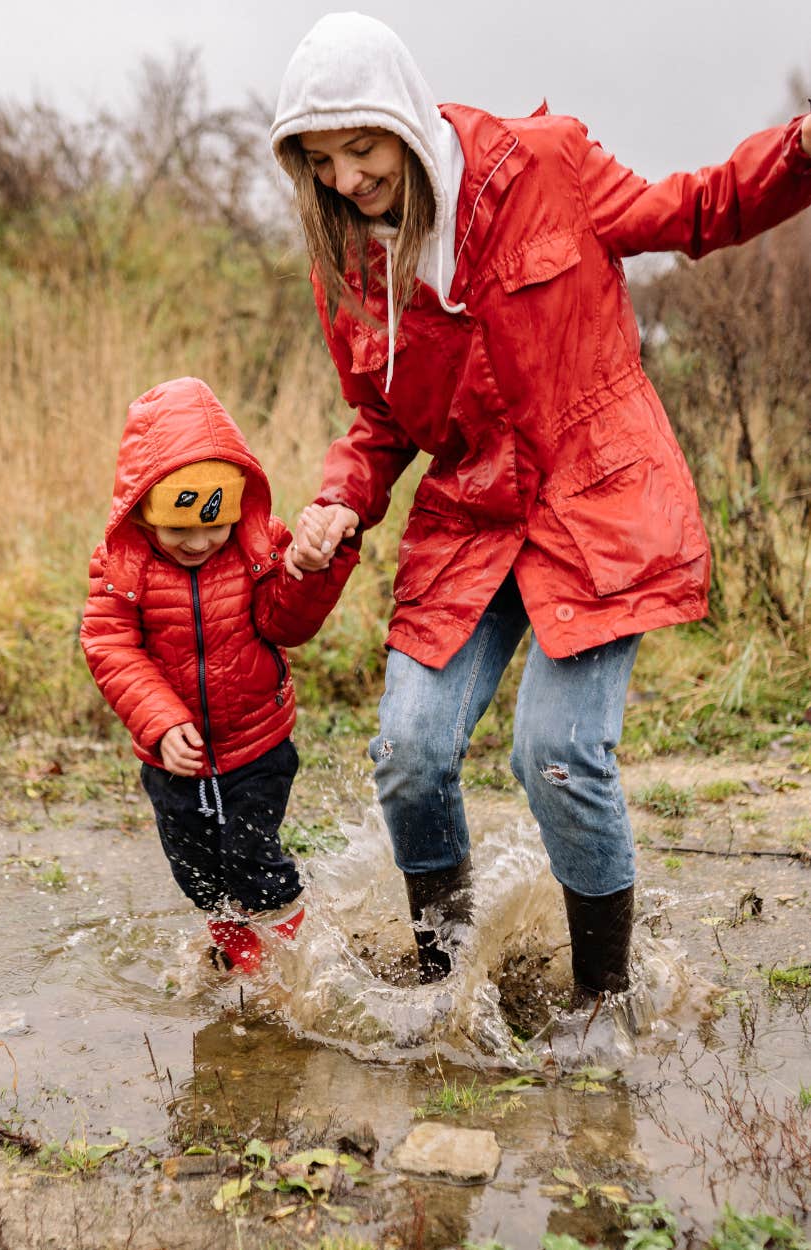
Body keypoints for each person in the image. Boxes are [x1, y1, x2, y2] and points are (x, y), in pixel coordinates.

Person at [270, 12, 811, 1001]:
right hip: (471, 514)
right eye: (320, 161)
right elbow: (378, 422)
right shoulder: (347, 263)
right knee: (408, 752)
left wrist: (797, 149)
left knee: (556, 754)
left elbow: (691, 211)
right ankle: (446, 978)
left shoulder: (543, 167)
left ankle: (600, 1003)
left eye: (360, 147)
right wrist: (336, 504)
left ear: (399, 113)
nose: (347, 180)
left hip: (595, 499)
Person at [80, 376, 358, 972]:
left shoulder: (258, 547)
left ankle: (298, 965)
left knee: (253, 861)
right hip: (173, 758)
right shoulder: (122, 566)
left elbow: (286, 624)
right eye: (179, 528)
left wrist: (308, 573)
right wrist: (160, 721)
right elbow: (108, 642)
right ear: (144, 510)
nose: (199, 541)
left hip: (256, 744)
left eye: (214, 524)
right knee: (199, 875)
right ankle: (240, 960)